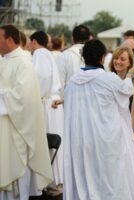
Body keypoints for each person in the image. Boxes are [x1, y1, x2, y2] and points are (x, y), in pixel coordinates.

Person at [63, 39, 134, 200]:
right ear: (103, 57)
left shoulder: (72, 82)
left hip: (80, 139)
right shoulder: (109, 79)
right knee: (108, 180)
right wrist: (130, 74)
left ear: (83, 56)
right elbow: (127, 91)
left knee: (85, 177)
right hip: (105, 140)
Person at [0, 24, 53, 199]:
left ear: (9, 39)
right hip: (3, 127)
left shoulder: (24, 63)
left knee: (15, 169)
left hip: (17, 130)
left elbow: (23, 98)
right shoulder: (4, 60)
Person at [29, 30, 64, 194]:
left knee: (47, 139)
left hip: (46, 101)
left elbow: (41, 77)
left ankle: (49, 180)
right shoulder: (47, 54)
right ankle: (55, 179)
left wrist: (35, 95)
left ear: (34, 41)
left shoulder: (39, 53)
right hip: (53, 101)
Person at [56, 25, 90, 93]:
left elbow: (60, 83)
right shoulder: (95, 54)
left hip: (70, 100)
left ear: (73, 38)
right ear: (89, 38)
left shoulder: (64, 55)